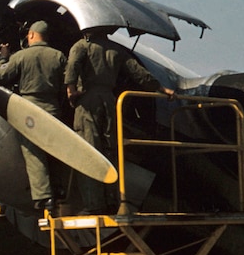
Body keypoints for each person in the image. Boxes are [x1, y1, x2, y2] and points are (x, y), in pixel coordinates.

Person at [64, 27, 174, 212]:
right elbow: (139, 73)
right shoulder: (117, 49)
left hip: (88, 100)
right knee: (111, 151)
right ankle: (113, 201)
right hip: (110, 101)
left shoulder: (81, 46)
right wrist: (162, 89)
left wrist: (70, 90)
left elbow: (73, 66)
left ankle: (94, 205)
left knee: (89, 150)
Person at [0, 20, 67, 211]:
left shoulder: (21, 56)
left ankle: (43, 197)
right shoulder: (59, 56)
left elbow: (1, 76)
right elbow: (69, 82)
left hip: (30, 110)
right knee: (55, 150)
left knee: (33, 152)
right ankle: (59, 189)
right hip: (52, 108)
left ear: (32, 35)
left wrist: (3, 58)